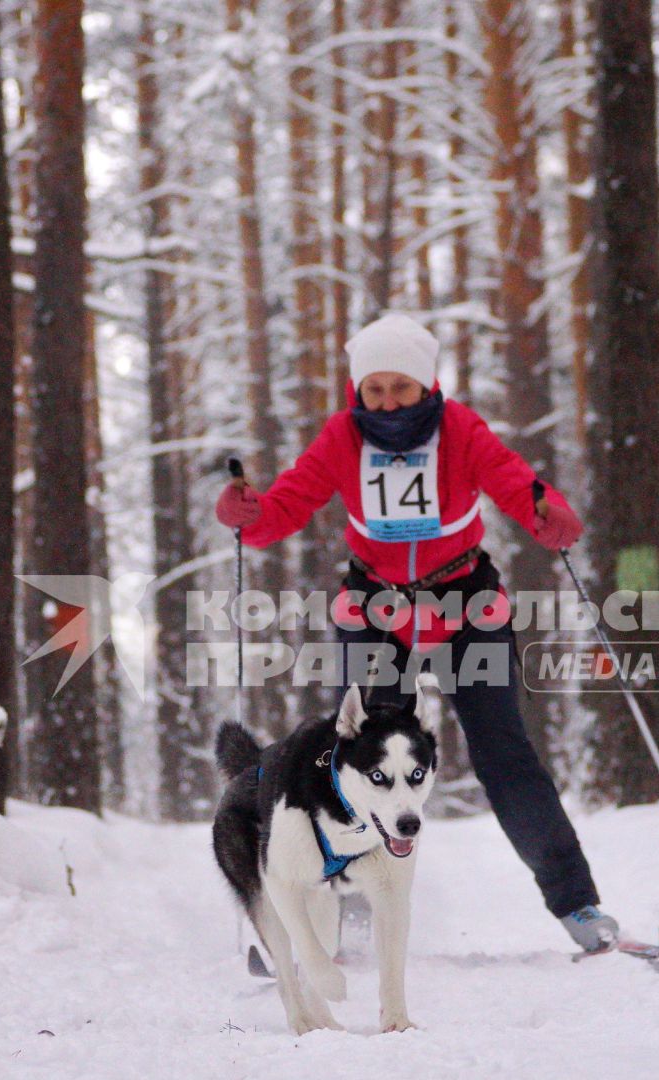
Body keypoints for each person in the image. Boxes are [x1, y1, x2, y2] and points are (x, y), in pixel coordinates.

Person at [213, 312, 621, 953]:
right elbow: (287, 504)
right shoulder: (343, 436)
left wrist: (548, 514)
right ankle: (341, 913)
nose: (387, 401)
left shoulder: (459, 429)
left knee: (505, 757)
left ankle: (579, 906)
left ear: (426, 384)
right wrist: (250, 514)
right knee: (360, 762)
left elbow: (517, 483)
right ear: (357, 390)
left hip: (466, 609)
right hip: (380, 615)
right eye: (373, 389)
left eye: (400, 387)